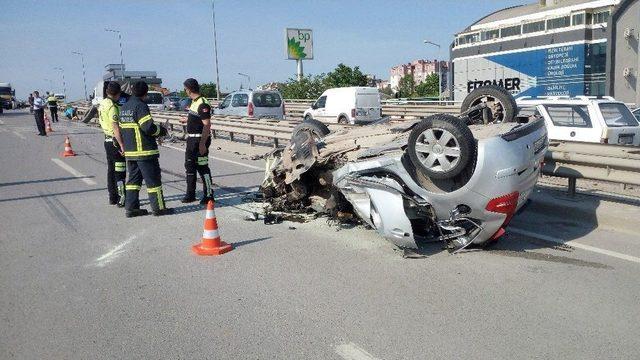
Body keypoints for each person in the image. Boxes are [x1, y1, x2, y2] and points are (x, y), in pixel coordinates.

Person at [118, 81, 173, 217]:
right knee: (153, 181)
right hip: (144, 151)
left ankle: (131, 208)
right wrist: (162, 130)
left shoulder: (124, 107)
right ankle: (158, 208)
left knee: (133, 181)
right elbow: (148, 127)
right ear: (145, 93)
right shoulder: (140, 106)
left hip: (130, 152)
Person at [180, 78, 214, 204]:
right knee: (189, 167)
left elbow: (206, 125)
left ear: (188, 90)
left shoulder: (203, 103)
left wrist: (202, 144)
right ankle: (190, 194)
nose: (185, 91)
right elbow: (197, 118)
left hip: (199, 140)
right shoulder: (194, 102)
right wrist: (187, 120)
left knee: (202, 167)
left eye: (185, 89)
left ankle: (209, 194)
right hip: (191, 139)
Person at [98, 82, 126, 207]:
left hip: (107, 141)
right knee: (119, 172)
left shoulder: (103, 103)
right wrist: (122, 145)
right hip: (115, 142)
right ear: (118, 93)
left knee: (111, 170)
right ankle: (122, 197)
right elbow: (115, 127)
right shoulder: (112, 107)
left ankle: (112, 197)